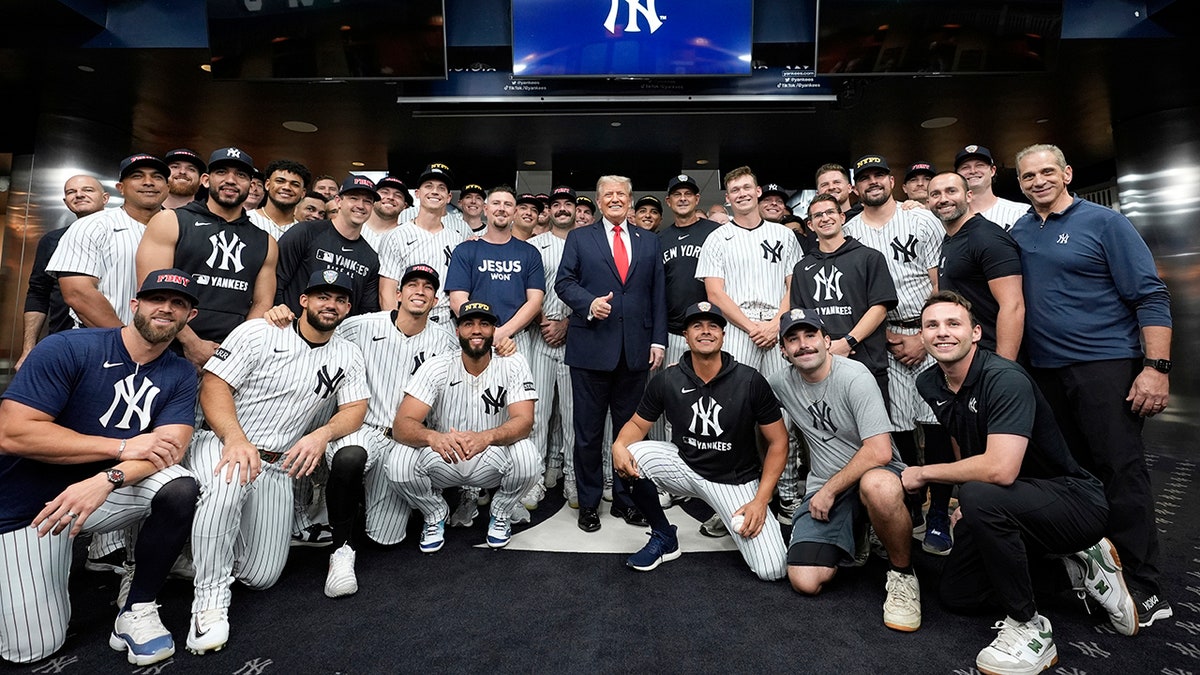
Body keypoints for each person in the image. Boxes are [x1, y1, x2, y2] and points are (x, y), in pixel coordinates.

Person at [907, 291, 1137, 674]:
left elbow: (1000, 470)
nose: (942, 333)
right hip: (1010, 502)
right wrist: (970, 502)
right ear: (923, 335)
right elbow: (965, 440)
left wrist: (926, 474)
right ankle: (1079, 570)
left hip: (1073, 501)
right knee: (958, 594)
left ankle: (1029, 627)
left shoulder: (1004, 378)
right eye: (932, 325)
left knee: (983, 493)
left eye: (953, 324)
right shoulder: (930, 382)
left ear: (976, 332)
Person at [0, 269, 202, 665]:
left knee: (178, 486)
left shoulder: (178, 372)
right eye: (156, 299)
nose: (166, 308)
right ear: (134, 305)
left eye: (178, 304)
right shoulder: (70, 348)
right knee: (33, 648)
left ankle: (137, 607)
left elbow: (170, 449)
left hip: (99, 493)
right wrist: (122, 446)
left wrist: (107, 479)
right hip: (27, 505)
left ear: (189, 318)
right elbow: (13, 434)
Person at [1010, 143, 1173, 628]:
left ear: (1067, 173)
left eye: (1046, 172)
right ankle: (1096, 568)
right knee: (1073, 475)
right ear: (1018, 184)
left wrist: (1156, 367)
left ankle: (1145, 584)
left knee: (1120, 470)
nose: (1037, 181)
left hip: (1104, 365)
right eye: (1027, 177)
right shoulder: (1020, 230)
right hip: (1045, 372)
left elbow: (1150, 293)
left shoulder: (1105, 223)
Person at [186, 270, 367, 655]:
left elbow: (354, 409)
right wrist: (235, 439)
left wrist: (322, 435)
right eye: (320, 296)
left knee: (262, 576)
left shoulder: (347, 352)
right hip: (224, 443)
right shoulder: (261, 332)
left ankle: (192, 551)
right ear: (303, 300)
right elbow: (214, 384)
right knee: (227, 489)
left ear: (348, 308)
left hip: (276, 465)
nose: (329, 305)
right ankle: (209, 602)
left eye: (338, 299)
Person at [611, 302, 789, 580]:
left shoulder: (750, 380)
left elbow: (779, 442)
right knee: (630, 453)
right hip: (685, 466)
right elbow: (636, 424)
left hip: (735, 481)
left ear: (723, 335)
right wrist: (618, 446)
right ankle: (663, 535)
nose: (705, 332)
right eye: (697, 326)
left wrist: (761, 500)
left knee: (772, 570)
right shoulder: (667, 379)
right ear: (685, 335)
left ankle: (729, 518)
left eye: (713, 326)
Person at [768, 309, 920, 633]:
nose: (803, 345)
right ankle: (860, 529)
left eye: (810, 336)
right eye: (792, 339)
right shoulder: (781, 382)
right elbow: (747, 406)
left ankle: (903, 574)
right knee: (804, 581)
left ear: (826, 341)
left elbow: (879, 452)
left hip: (877, 472)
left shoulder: (855, 376)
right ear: (783, 351)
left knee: (877, 487)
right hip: (827, 482)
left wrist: (829, 490)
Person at [842, 153, 954, 554]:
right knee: (897, 426)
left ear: (892, 181)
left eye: (879, 175)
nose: (872, 182)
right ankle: (911, 501)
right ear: (856, 188)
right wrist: (888, 335)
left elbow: (942, 281)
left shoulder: (920, 219)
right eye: (864, 177)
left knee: (938, 425)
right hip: (882, 339)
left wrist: (926, 336)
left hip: (930, 334)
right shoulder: (850, 230)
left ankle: (939, 508)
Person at [555, 174, 667, 532]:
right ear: (599, 202)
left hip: (635, 352)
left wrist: (658, 341)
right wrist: (588, 304)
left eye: (621, 194)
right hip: (590, 350)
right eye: (608, 195)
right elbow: (564, 283)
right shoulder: (579, 237)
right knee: (587, 433)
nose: (615, 199)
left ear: (630, 200)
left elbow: (657, 295)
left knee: (630, 432)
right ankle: (589, 504)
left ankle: (626, 499)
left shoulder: (649, 241)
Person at [386, 301, 541, 551]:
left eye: (484, 324)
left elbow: (524, 422)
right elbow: (402, 424)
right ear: (457, 332)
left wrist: (486, 437)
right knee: (398, 461)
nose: (476, 330)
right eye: (468, 324)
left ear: (494, 330)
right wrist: (432, 438)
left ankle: (500, 512)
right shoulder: (437, 366)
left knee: (528, 457)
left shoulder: (513, 363)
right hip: (446, 453)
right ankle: (435, 513)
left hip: (491, 454)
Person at [135, 147, 277, 369]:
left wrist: (234, 350)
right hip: (166, 347)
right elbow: (151, 292)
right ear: (205, 179)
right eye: (221, 172)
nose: (231, 180)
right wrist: (193, 344)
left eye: (240, 175)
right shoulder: (170, 220)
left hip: (231, 355)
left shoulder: (266, 241)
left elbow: (262, 302)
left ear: (251, 185)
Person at [695, 166, 801, 379]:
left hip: (778, 326)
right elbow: (714, 293)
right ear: (728, 197)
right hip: (738, 328)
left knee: (783, 398)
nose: (742, 194)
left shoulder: (785, 235)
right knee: (736, 397)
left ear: (758, 191)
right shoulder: (716, 238)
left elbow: (795, 285)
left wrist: (775, 325)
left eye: (746, 187)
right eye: (735, 190)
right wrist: (753, 328)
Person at [790, 193, 895, 403]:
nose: (825, 218)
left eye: (830, 212)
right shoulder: (802, 268)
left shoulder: (869, 257)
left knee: (874, 431)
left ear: (842, 217)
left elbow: (880, 308)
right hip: (820, 366)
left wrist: (847, 342)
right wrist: (823, 349)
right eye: (818, 215)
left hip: (866, 362)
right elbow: (800, 318)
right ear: (810, 225)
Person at [48, 154, 169, 331]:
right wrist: (125, 341)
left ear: (168, 187)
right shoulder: (91, 225)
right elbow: (78, 293)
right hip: (102, 343)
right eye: (137, 176)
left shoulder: (183, 228)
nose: (148, 182)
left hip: (166, 346)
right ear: (120, 188)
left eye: (157, 177)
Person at [926, 172, 1024, 359]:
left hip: (992, 356)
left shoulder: (987, 237)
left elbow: (1013, 305)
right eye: (935, 194)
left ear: (968, 195)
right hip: (967, 355)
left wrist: (1004, 367)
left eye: (951, 191)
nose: (943, 199)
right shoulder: (950, 238)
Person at [17, 175, 110, 370]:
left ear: (105, 198)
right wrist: (28, 348)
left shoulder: (124, 235)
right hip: (64, 343)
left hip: (114, 342)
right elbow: (38, 293)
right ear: (65, 202)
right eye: (71, 192)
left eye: (88, 190)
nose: (79, 195)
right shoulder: (52, 240)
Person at [527, 185, 579, 505]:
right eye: (556, 204)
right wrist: (543, 322)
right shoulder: (535, 245)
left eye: (567, 204)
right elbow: (525, 290)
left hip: (576, 337)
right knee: (538, 413)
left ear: (575, 209)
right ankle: (533, 477)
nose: (562, 209)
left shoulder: (588, 243)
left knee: (573, 416)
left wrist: (567, 325)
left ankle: (572, 475)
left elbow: (595, 291)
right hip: (539, 334)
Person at [445, 185, 546, 344]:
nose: (501, 208)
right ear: (485, 209)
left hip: (516, 337)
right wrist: (482, 330)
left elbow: (534, 302)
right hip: (475, 336)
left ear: (514, 212)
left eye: (508, 204)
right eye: (496, 203)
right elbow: (457, 300)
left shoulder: (530, 253)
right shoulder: (466, 250)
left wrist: (501, 333)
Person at [275, 175, 381, 318]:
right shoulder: (305, 232)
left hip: (337, 337)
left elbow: (366, 312)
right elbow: (275, 279)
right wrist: (279, 311)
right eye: (353, 198)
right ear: (338, 201)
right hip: (290, 327)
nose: (360, 206)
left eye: (367, 201)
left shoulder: (370, 258)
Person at [376, 163, 466, 323]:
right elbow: (387, 292)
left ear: (449, 197)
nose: (435, 192)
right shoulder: (396, 235)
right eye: (428, 186)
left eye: (441, 188)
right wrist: (395, 328)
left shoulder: (457, 240)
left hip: (445, 323)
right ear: (417, 193)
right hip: (406, 321)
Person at [954, 144, 1028, 230]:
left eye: (980, 165)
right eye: (965, 167)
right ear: (957, 175)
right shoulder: (948, 216)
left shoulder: (1021, 212)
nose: (973, 171)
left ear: (992, 171)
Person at [248, 159, 312, 241]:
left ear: (303, 193)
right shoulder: (246, 219)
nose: (287, 187)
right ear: (267, 184)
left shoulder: (305, 234)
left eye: (295, 184)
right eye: (280, 181)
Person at [361, 175, 410, 250]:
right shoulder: (353, 226)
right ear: (373, 198)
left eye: (398, 195)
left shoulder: (407, 237)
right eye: (384, 192)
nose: (390, 197)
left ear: (405, 205)